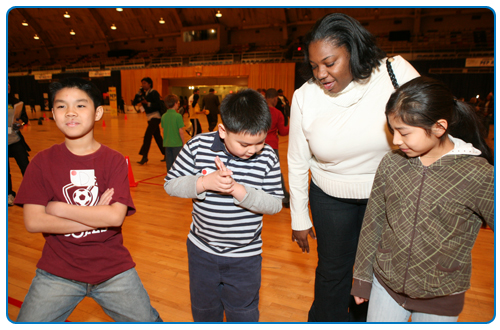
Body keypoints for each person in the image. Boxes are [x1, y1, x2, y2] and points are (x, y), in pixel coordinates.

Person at [287, 13, 420, 322]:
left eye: (330, 63)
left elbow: (434, 125)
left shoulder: (394, 73)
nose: (321, 73)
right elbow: (297, 160)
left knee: (377, 273)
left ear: (353, 51)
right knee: (333, 272)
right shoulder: (305, 96)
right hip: (330, 196)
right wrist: (298, 216)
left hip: (390, 196)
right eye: (314, 65)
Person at [13, 77, 162, 322]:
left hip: (113, 270)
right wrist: (97, 217)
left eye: (81, 105)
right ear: (52, 113)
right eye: (61, 106)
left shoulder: (113, 160)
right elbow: (33, 222)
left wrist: (58, 207)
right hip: (57, 271)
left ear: (97, 112)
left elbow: (115, 216)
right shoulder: (41, 161)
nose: (70, 112)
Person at [351, 76, 494, 322]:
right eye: (392, 130)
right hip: (386, 286)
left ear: (439, 127)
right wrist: (362, 277)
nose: (395, 140)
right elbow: (373, 221)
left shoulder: (478, 174)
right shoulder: (391, 163)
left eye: (404, 132)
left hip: (441, 295)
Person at [164, 89, 283, 322]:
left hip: (245, 256)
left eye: (259, 142)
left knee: (244, 314)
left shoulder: (267, 155)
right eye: (244, 143)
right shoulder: (198, 146)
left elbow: (275, 204)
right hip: (202, 252)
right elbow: (171, 185)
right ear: (222, 130)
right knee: (204, 313)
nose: (253, 150)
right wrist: (204, 183)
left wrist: (237, 189)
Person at [264, 88, 290, 208]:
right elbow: (283, 132)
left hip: (257, 145)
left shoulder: (259, 111)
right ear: (275, 99)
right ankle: (285, 198)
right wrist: (290, 123)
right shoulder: (277, 113)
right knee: (276, 173)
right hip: (272, 147)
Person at [132, 77, 165, 165]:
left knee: (147, 136)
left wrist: (148, 103)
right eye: (142, 83)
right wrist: (138, 93)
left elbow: (158, 105)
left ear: (150, 84)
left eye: (145, 83)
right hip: (149, 117)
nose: (143, 85)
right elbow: (134, 102)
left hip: (156, 117)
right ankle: (166, 153)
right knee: (157, 137)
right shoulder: (143, 93)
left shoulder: (154, 92)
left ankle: (144, 156)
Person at [8, 81, 30, 206]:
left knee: (26, 167)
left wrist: (20, 124)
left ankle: (30, 193)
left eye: (9, 83)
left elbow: (24, 120)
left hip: (15, 141)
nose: (8, 85)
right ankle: (8, 195)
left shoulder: (17, 102)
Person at [161, 94, 185, 172]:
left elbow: (163, 131)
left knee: (169, 164)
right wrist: (183, 143)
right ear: (175, 104)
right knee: (178, 163)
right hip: (177, 144)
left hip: (167, 143)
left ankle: (169, 179)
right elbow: (180, 131)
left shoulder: (164, 116)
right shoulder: (178, 116)